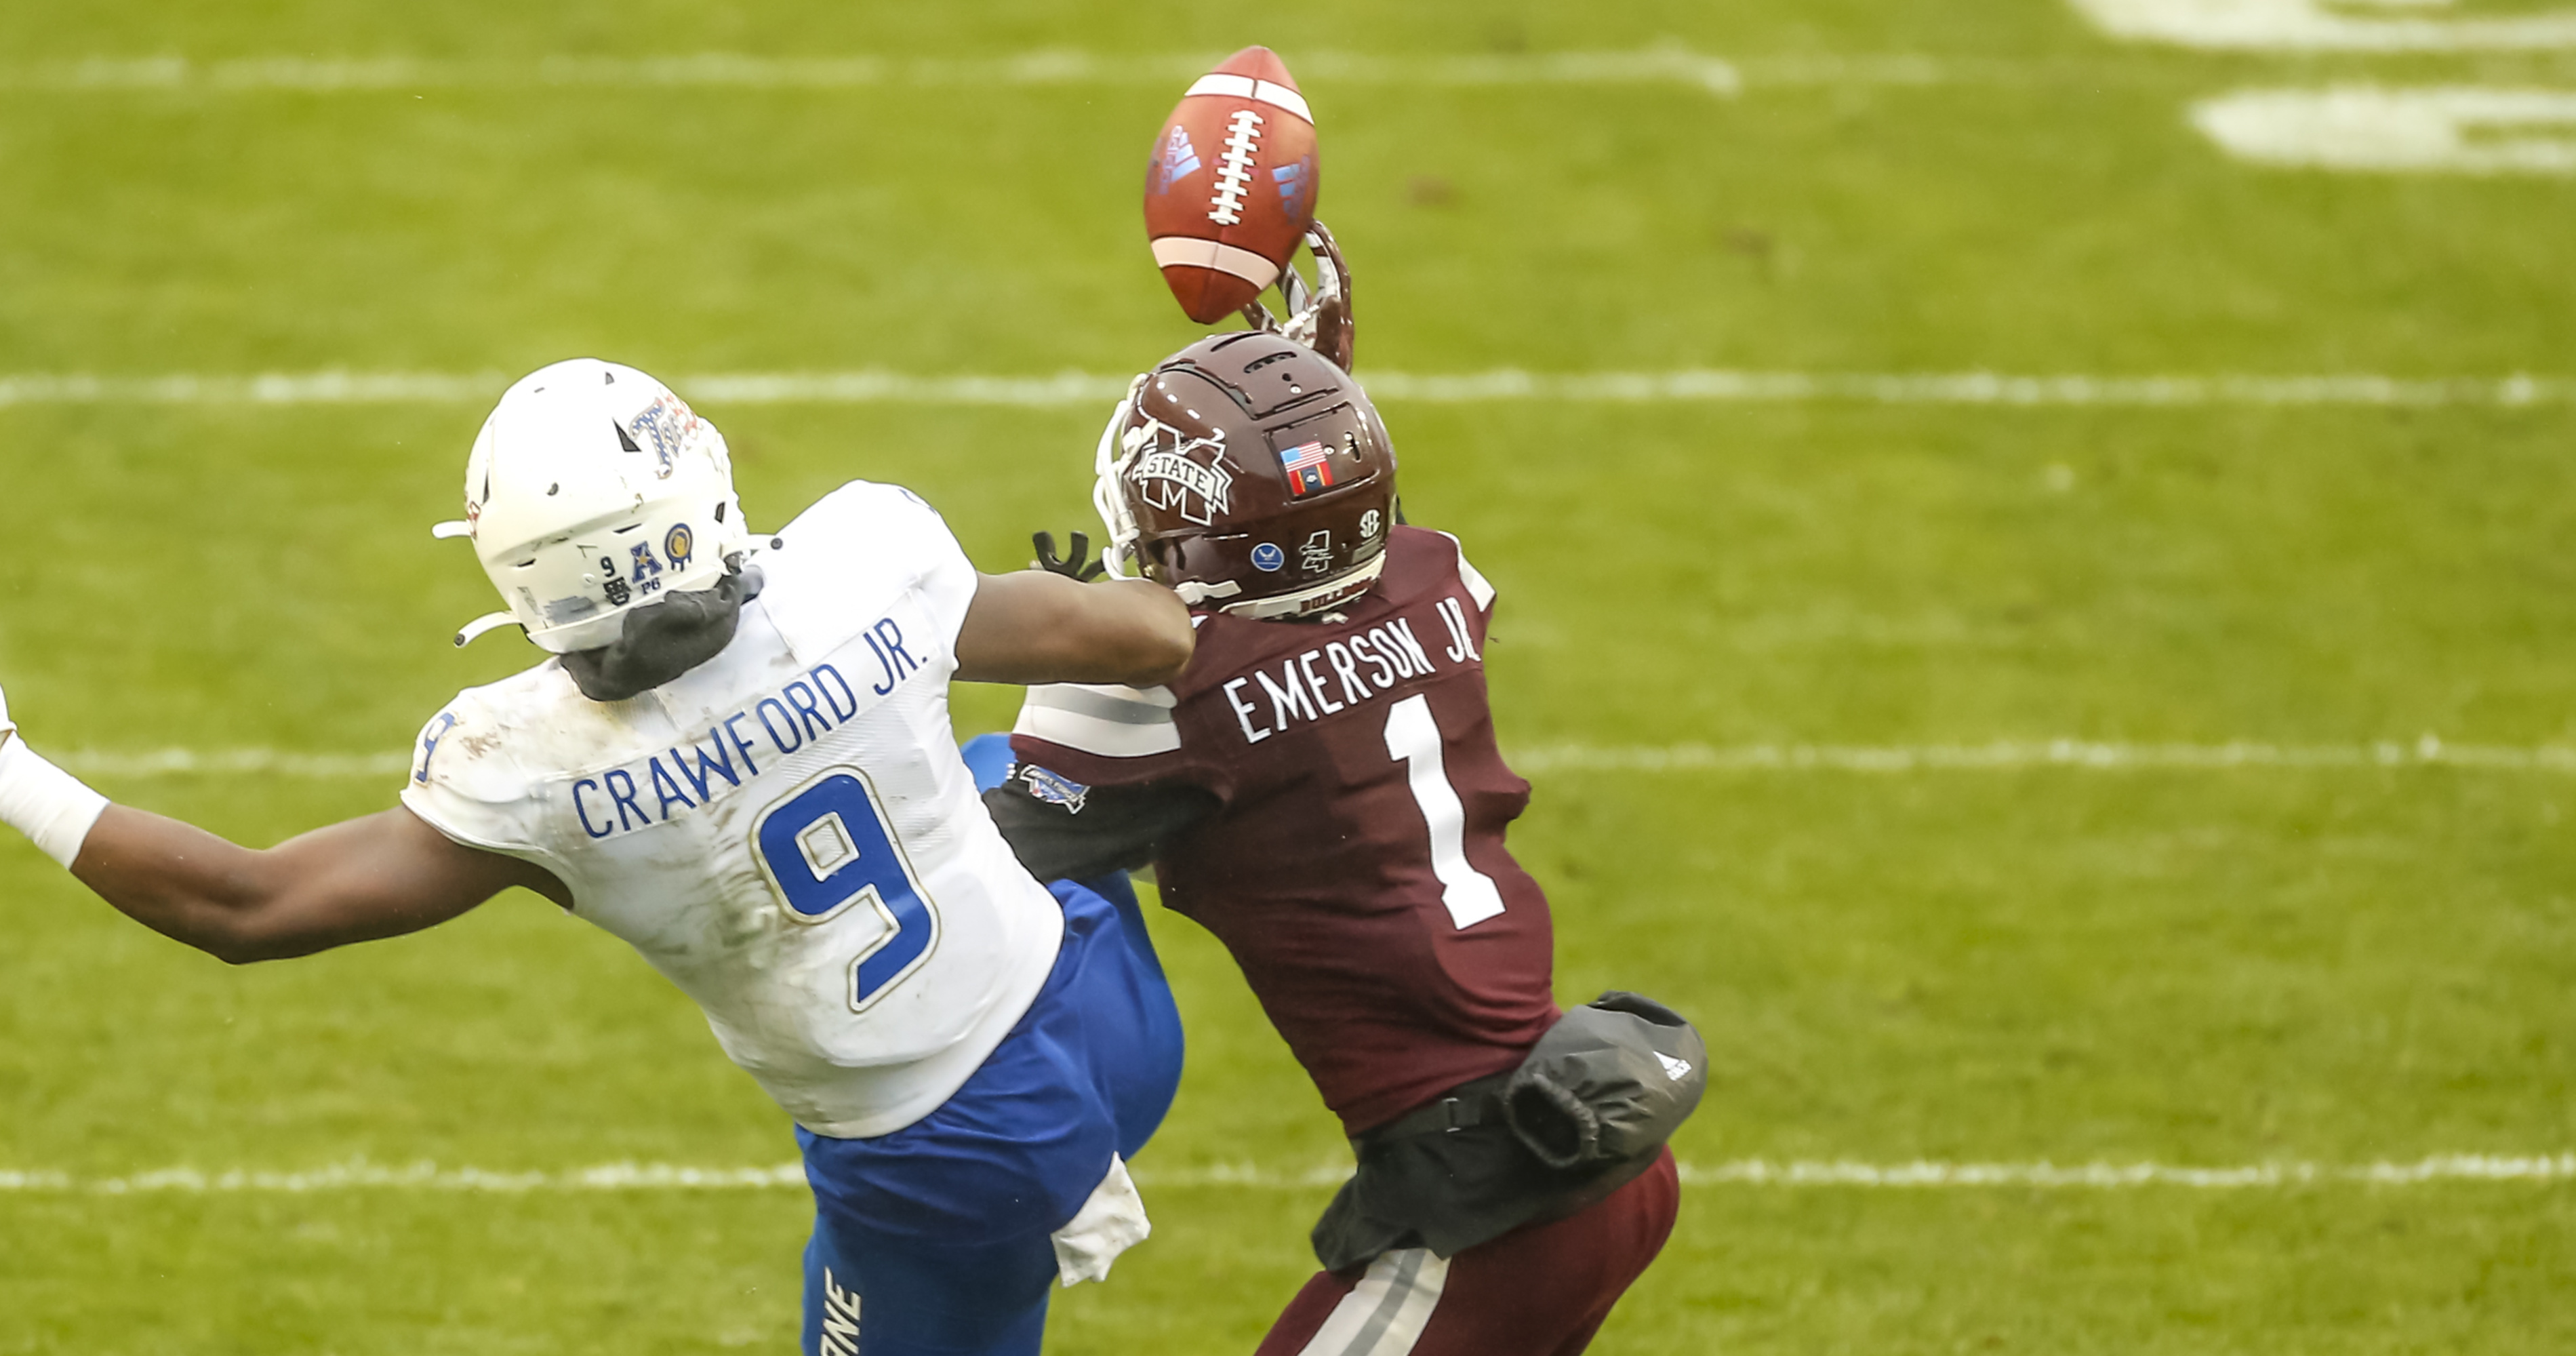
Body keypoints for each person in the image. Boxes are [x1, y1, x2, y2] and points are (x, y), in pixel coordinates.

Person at [0, 358, 1193, 1356]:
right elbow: (1149, 637)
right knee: (1004, 759)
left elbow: (242, 907)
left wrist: (9, 766)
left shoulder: (530, 762)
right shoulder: (864, 557)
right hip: (1110, 1019)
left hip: (934, 1158)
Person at [979, 241, 1703, 1356]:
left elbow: (967, 859)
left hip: (1485, 1204)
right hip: (1593, 1140)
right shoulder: (1438, 575)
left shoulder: (1181, 707)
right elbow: (1326, 568)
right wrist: (1310, 417)